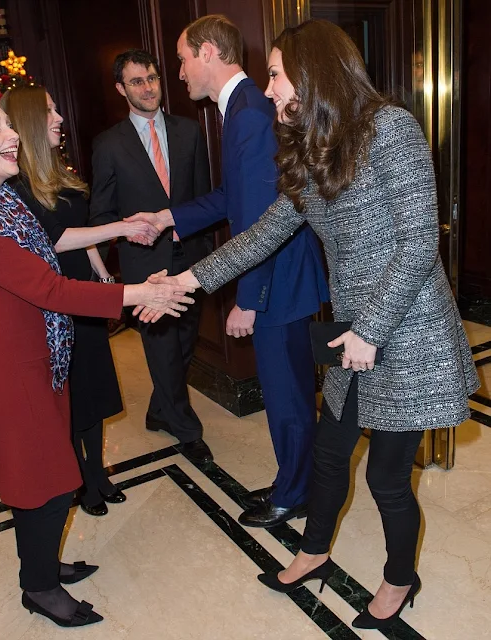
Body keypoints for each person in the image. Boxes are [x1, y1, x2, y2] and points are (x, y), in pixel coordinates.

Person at [140, 20, 479, 630]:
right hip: (354, 335)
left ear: (314, 71)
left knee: (385, 477)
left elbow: (418, 243)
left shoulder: (391, 129)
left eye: (275, 74)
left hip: (405, 333)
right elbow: (264, 234)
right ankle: (315, 551)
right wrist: (184, 283)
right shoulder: (310, 146)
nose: (268, 89)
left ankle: (401, 578)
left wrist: (372, 330)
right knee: (328, 456)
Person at [0, 91, 194, 628]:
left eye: (10, 124)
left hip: (30, 361)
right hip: (9, 374)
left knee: (45, 481)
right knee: (44, 486)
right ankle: (40, 588)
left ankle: (42, 569)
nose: (14, 135)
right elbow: (49, 288)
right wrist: (137, 293)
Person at [126, 15, 329, 528]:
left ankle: (296, 493)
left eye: (182, 58)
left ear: (210, 52)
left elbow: (265, 219)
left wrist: (247, 298)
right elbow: (233, 198)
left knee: (288, 398)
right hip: (275, 278)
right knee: (287, 394)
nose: (178, 71)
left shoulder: (249, 116)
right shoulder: (238, 110)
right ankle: (294, 481)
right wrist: (168, 217)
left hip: (278, 282)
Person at [0, 86, 148, 517]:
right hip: (54, 298)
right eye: (48, 110)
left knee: (95, 386)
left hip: (83, 290)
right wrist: (119, 228)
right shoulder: (17, 182)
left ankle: (97, 473)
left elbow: (77, 226)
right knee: (71, 392)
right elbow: (56, 238)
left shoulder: (56, 169)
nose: (59, 117)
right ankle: (80, 478)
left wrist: (100, 267)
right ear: (28, 120)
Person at [89, 49, 214, 464]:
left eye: (153, 78)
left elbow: (202, 199)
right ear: (121, 89)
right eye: (137, 82)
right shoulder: (109, 145)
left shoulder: (189, 131)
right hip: (146, 269)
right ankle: (187, 430)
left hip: (192, 259)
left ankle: (160, 411)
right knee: (162, 348)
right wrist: (120, 250)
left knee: (184, 346)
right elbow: (101, 216)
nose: (148, 88)